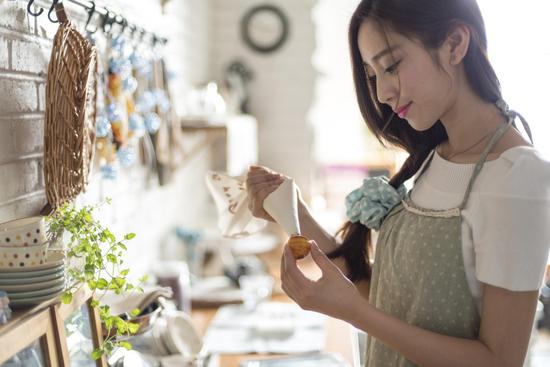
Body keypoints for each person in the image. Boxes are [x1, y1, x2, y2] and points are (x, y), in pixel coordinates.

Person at [246, 0, 550, 366]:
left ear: (454, 43)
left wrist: (355, 314)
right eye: (373, 74)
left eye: (391, 65)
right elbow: (393, 301)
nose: (382, 93)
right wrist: (291, 212)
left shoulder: (516, 176)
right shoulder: (435, 155)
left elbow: (500, 361)